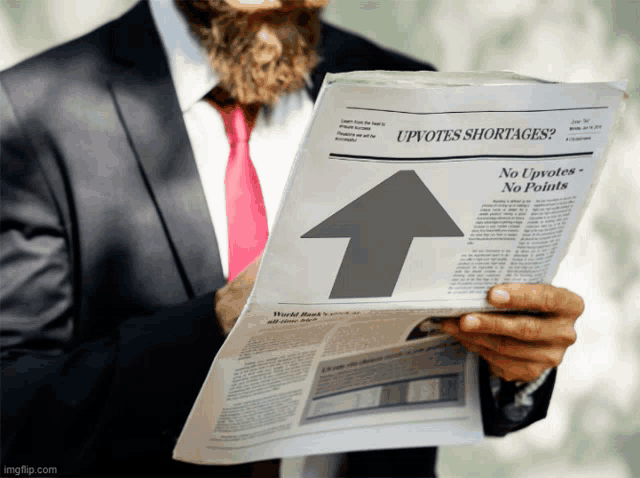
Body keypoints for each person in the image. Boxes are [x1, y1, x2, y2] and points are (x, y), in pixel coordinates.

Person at [0, 0, 584, 476]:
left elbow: (447, 367)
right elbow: (14, 420)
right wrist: (215, 327)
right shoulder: (28, 115)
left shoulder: (416, 93)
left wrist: (516, 361)